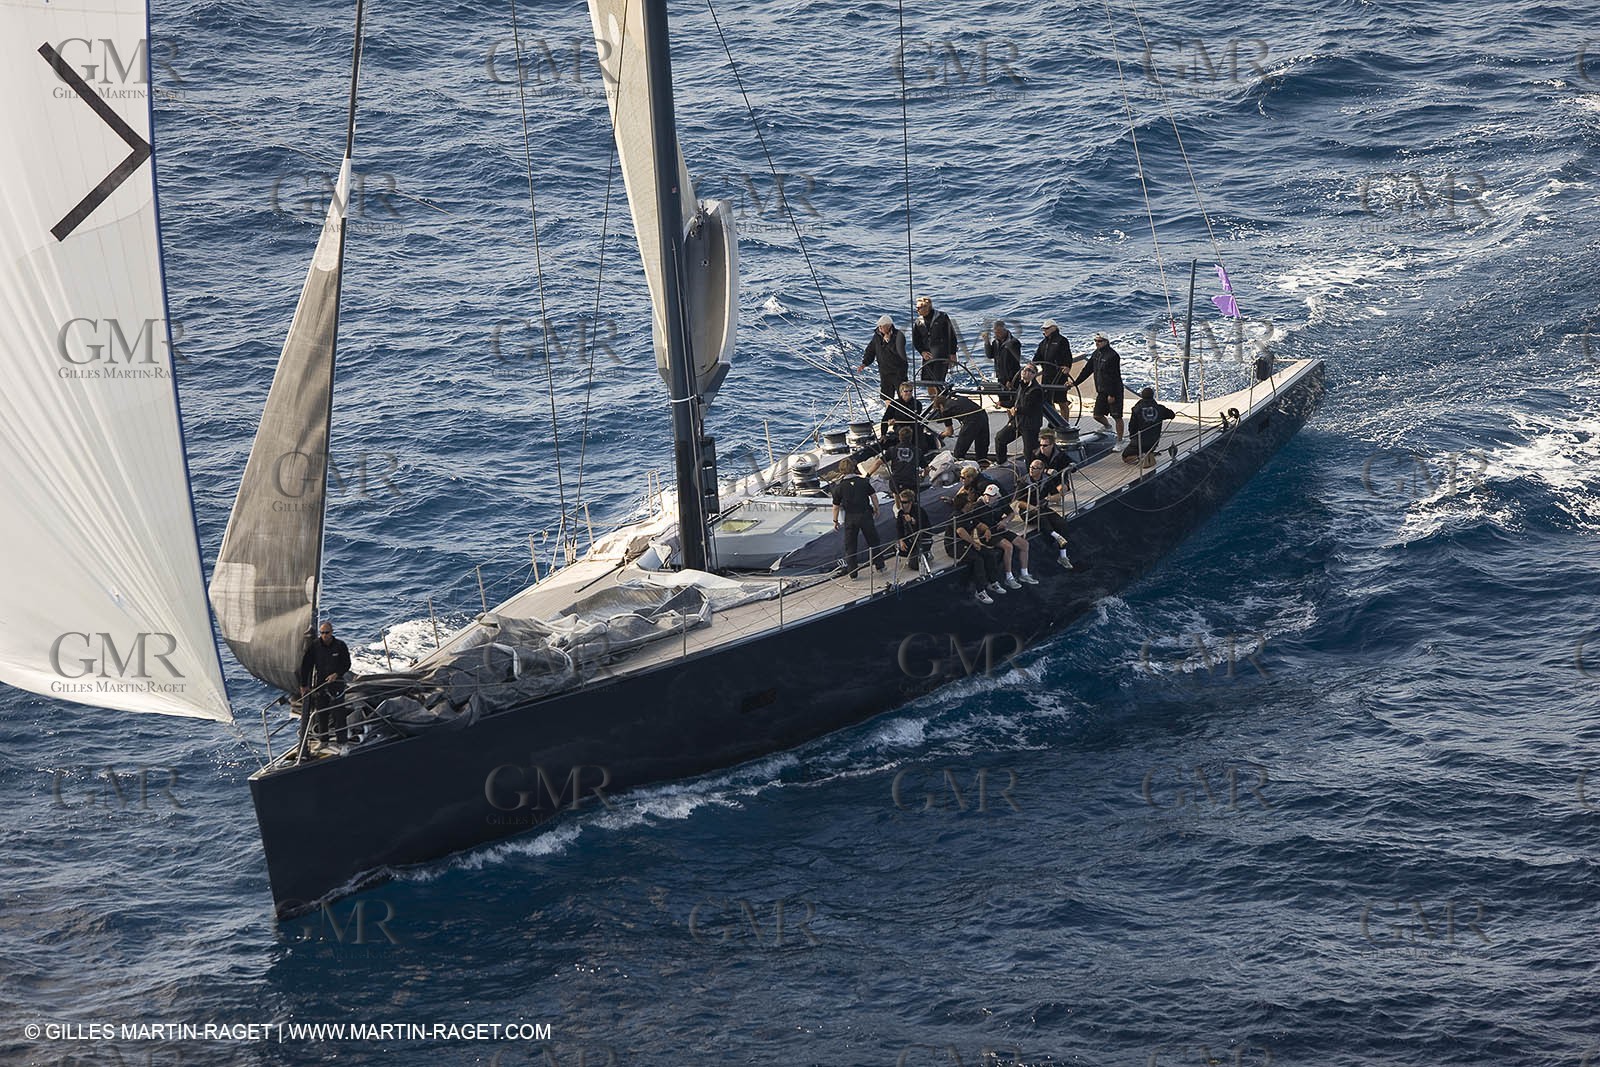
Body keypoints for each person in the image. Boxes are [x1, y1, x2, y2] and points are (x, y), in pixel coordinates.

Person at [298, 620, 353, 747]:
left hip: (336, 685)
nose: (324, 635)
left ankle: (343, 743)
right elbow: (306, 665)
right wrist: (303, 685)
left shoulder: (340, 645)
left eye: (327, 632)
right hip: (321, 685)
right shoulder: (315, 646)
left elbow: (346, 664)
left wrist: (336, 674)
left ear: (332, 632)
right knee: (321, 714)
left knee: (338, 714)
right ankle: (324, 741)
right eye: (322, 633)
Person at [830, 458, 886, 578]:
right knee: (873, 541)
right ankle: (880, 566)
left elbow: (836, 506)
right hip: (865, 515)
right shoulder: (863, 482)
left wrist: (835, 521)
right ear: (853, 468)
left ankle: (853, 572)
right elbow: (873, 496)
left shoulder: (839, 487)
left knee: (850, 545)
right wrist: (877, 509)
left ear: (841, 470)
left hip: (850, 517)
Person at [1017, 458, 1073, 567]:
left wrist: (1048, 499)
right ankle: (1056, 536)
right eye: (1030, 467)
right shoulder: (1024, 481)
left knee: (1061, 523)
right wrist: (1032, 507)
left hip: (1042, 507)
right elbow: (1019, 503)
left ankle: (1063, 556)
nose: (1031, 469)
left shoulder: (1046, 480)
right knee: (1041, 518)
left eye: (1035, 468)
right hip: (1027, 510)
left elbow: (1057, 496)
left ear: (1041, 470)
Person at [979, 483, 1037, 587]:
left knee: (1024, 544)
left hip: (999, 528)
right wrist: (986, 529)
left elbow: (1012, 513)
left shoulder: (1001, 501)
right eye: (987, 495)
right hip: (986, 534)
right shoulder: (978, 505)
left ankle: (1024, 574)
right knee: (1008, 546)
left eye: (992, 495)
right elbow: (975, 522)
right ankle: (1009, 577)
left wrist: (1005, 521)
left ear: (997, 496)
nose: (988, 498)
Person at [952, 491, 1005, 604]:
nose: (972, 503)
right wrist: (974, 543)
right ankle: (980, 590)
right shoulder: (957, 516)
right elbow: (960, 531)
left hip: (968, 543)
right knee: (977, 559)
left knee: (989, 553)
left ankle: (993, 581)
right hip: (956, 545)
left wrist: (987, 530)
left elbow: (979, 524)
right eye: (969, 502)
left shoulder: (969, 514)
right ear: (964, 504)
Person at [1071, 331, 1125, 440]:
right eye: (1095, 341)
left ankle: (1120, 439)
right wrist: (1075, 383)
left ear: (1106, 342)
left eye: (1099, 341)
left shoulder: (1113, 356)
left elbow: (1114, 376)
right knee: (1097, 415)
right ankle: (1108, 426)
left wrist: (1112, 394)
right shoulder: (1096, 354)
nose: (1097, 343)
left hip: (1114, 391)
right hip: (1101, 391)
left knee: (1117, 416)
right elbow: (1087, 370)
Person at [992, 363, 1044, 466]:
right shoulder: (1021, 385)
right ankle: (1002, 463)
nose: (1025, 371)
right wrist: (1002, 403)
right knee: (1000, 438)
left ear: (1034, 375)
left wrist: (1016, 410)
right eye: (1024, 369)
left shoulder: (1036, 390)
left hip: (1030, 425)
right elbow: (1015, 402)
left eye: (1029, 370)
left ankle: (1032, 471)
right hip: (1017, 422)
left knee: (1029, 452)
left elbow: (1030, 408)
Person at [1122, 386, 1177, 468]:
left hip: (1139, 442)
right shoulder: (1160, 409)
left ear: (1142, 396)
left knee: (1125, 457)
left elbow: (1132, 426)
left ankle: (1141, 456)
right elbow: (1172, 415)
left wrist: (1132, 438)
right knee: (1147, 445)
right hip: (1154, 442)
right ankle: (1148, 453)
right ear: (1153, 396)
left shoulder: (1136, 409)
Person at [930, 390, 990, 463]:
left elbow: (949, 432)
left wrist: (940, 435)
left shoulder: (945, 410)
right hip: (982, 414)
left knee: (960, 449)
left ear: (940, 406)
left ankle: (958, 463)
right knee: (982, 445)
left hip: (971, 420)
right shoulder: (957, 398)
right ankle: (982, 461)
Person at [912, 295, 958, 388]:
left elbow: (952, 336)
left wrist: (953, 354)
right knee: (927, 382)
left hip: (942, 355)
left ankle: (942, 396)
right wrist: (922, 352)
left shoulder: (942, 317)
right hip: (928, 357)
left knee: (938, 382)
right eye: (916, 308)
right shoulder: (918, 322)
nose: (917, 310)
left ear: (927, 307)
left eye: (919, 308)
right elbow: (916, 340)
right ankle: (934, 397)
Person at [859, 315, 908, 399]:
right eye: (879, 326)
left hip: (898, 371)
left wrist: (888, 341)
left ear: (889, 326)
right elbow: (870, 350)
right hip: (885, 372)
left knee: (903, 395)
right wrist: (865, 363)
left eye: (882, 326)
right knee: (886, 396)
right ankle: (889, 408)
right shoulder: (877, 336)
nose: (880, 328)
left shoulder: (899, 335)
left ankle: (904, 407)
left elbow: (898, 351)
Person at [880, 380, 934, 450]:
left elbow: (912, 418)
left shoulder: (917, 404)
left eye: (910, 391)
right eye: (906, 391)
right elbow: (885, 418)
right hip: (900, 427)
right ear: (901, 392)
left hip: (913, 427)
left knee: (918, 437)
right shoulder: (895, 404)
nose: (909, 393)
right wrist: (883, 434)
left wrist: (896, 420)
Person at [1035, 320, 1073, 416]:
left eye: (1047, 328)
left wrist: (1067, 366)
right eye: (1044, 329)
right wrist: (1031, 365)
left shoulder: (1062, 341)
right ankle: (1054, 422)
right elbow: (1037, 358)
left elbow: (1068, 357)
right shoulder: (1043, 343)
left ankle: (1065, 423)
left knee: (1062, 401)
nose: (1045, 330)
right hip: (1046, 376)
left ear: (1054, 328)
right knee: (1048, 402)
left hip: (1059, 376)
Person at [894, 489, 934, 572]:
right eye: (900, 502)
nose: (902, 504)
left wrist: (912, 521)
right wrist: (901, 540)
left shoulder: (919, 511)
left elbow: (924, 525)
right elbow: (899, 528)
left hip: (922, 538)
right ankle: (913, 555)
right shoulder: (901, 513)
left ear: (910, 502)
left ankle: (925, 554)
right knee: (896, 548)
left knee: (914, 565)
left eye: (904, 502)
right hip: (911, 538)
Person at [984, 319, 1022, 405]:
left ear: (1005, 330)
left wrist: (1010, 379)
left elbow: (1015, 363)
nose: (997, 335)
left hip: (1012, 378)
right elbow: (990, 355)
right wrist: (987, 343)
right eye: (995, 333)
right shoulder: (996, 342)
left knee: (1012, 401)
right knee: (1003, 400)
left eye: (999, 332)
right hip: (1001, 377)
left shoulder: (1013, 343)